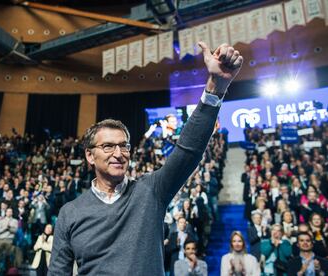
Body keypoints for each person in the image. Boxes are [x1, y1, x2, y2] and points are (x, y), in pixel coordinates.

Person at [48, 42, 243, 275]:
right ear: (90, 155)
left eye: (124, 146)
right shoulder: (70, 212)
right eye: (108, 146)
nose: (118, 154)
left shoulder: (151, 191)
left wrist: (215, 87)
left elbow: (188, 151)